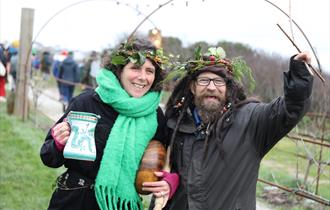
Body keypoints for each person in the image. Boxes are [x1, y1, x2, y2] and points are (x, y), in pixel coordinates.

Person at [162, 46, 313, 210]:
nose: (211, 87)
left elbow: (289, 110)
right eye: (204, 80)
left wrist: (299, 79)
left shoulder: (251, 121)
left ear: (228, 88)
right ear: (192, 87)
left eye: (218, 81)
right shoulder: (178, 123)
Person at [40, 38, 178, 210]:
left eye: (149, 71)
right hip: (76, 200)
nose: (143, 77)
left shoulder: (155, 116)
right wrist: (59, 144)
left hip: (122, 205)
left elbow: (161, 162)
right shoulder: (87, 103)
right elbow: (48, 157)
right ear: (119, 70)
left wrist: (169, 179)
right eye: (135, 68)